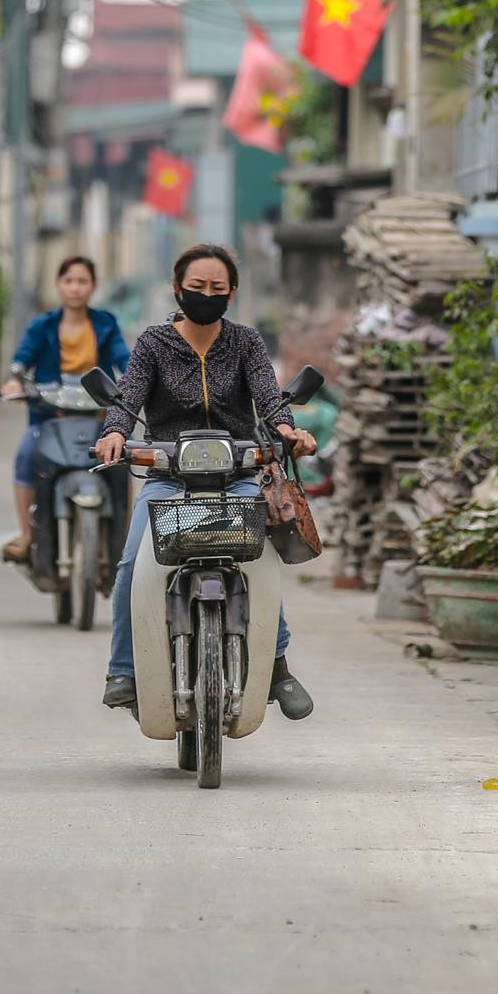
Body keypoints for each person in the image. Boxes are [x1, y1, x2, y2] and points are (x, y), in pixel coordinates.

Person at [95, 243, 318, 718]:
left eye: (218, 288)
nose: (207, 294)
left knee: (260, 565)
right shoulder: (154, 343)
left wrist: (288, 431)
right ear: (178, 289)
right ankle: (123, 670)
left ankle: (277, 666)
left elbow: (268, 397)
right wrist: (115, 431)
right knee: (133, 563)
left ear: (232, 292)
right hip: (166, 478)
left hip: (236, 475)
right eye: (197, 287)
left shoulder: (247, 343)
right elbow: (129, 396)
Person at [2, 256, 131, 562]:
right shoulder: (42, 325)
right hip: (48, 418)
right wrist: (14, 382)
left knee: (123, 464)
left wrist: (134, 379)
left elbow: (123, 358)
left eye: (82, 281)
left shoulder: (105, 323)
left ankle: (123, 542)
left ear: (93, 286)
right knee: (25, 456)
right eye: (69, 281)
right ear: (59, 285)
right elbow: (22, 360)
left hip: (100, 420)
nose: (75, 288)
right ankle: (27, 535)